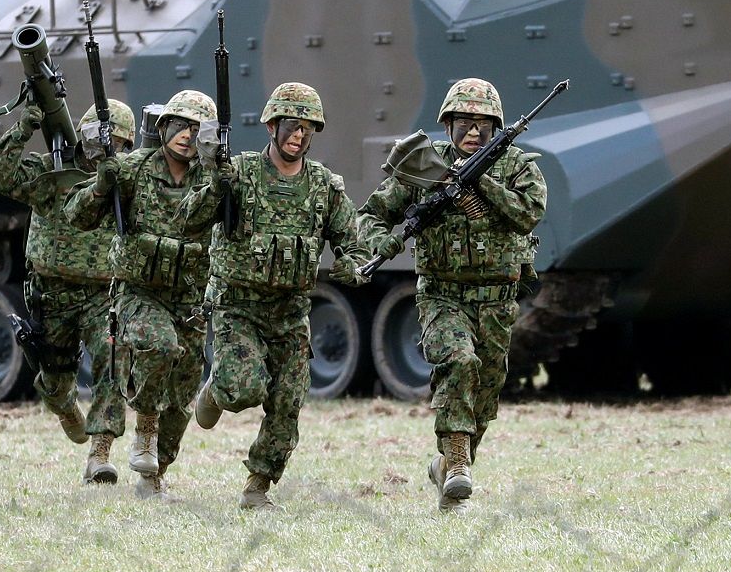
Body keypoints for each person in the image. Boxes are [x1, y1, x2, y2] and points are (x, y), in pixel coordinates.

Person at [180, 81, 380, 509]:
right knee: (243, 387)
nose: (299, 136)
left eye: (308, 129)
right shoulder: (241, 174)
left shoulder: (324, 187)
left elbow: (355, 242)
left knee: (289, 401)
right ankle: (216, 390)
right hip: (239, 308)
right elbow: (190, 219)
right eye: (292, 125)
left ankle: (258, 486)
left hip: (291, 313)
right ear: (272, 126)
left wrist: (353, 265)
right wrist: (214, 176)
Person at [360, 78, 547, 508]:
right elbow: (371, 215)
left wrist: (479, 184)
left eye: (483, 123)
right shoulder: (425, 166)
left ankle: (447, 466)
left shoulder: (516, 165)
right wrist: (382, 243)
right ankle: (459, 465)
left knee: (485, 391)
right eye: (464, 121)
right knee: (459, 362)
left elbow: (529, 213)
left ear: (496, 127)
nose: (473, 131)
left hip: (498, 298)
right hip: (442, 295)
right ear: (448, 124)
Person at [63, 91, 214, 500]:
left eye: (197, 129)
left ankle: (154, 477)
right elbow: (76, 216)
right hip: (139, 292)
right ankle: (143, 430)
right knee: (157, 345)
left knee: (182, 398)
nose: (187, 135)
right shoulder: (133, 169)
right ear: (163, 127)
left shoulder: (213, 178)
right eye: (180, 125)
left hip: (190, 298)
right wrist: (100, 184)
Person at [0, 99, 135, 482]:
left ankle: (99, 454)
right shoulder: (53, 171)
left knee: (113, 358)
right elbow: (0, 174)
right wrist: (23, 129)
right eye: (96, 138)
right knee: (53, 381)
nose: (103, 148)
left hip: (103, 295)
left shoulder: (125, 180)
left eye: (115, 143)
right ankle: (66, 406)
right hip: (52, 294)